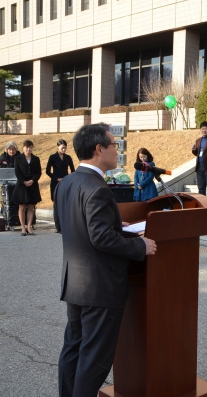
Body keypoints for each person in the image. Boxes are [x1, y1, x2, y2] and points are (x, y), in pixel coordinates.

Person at [54, 123, 156, 397]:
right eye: (114, 145)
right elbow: (100, 238)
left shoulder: (67, 183)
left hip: (75, 283)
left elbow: (68, 225)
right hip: (99, 287)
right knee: (95, 359)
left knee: (74, 349)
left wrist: (114, 225)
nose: (117, 150)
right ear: (99, 149)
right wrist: (139, 246)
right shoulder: (97, 188)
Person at [11, 140, 41, 236]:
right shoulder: (18, 158)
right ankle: (23, 228)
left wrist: (32, 180)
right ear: (23, 148)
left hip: (33, 184)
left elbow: (38, 172)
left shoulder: (36, 159)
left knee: (31, 207)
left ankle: (29, 227)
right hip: (22, 184)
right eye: (27, 147)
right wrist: (24, 181)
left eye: (30, 147)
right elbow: (17, 172)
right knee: (22, 206)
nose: (28, 149)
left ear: (32, 148)